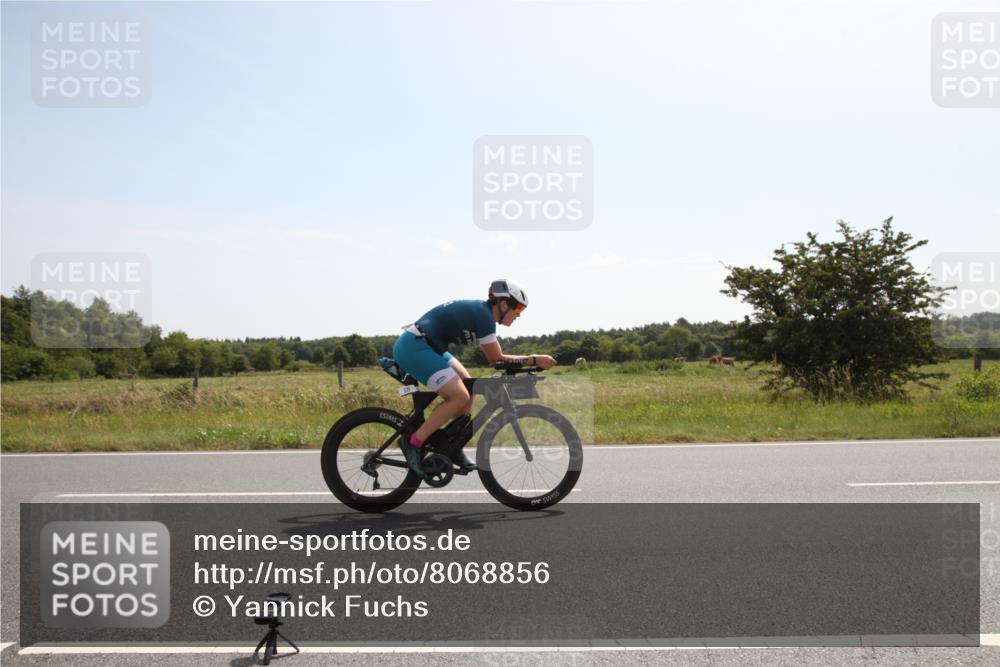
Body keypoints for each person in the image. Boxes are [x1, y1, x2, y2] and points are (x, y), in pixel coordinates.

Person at [391, 279, 556, 476]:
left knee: (469, 389)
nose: (519, 315)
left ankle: (452, 447)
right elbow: (497, 360)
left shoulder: (483, 313)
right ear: (504, 304)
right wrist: (535, 359)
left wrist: (531, 362)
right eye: (518, 308)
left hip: (430, 346)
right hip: (415, 346)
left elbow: (498, 361)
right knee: (458, 396)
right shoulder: (483, 315)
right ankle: (413, 443)